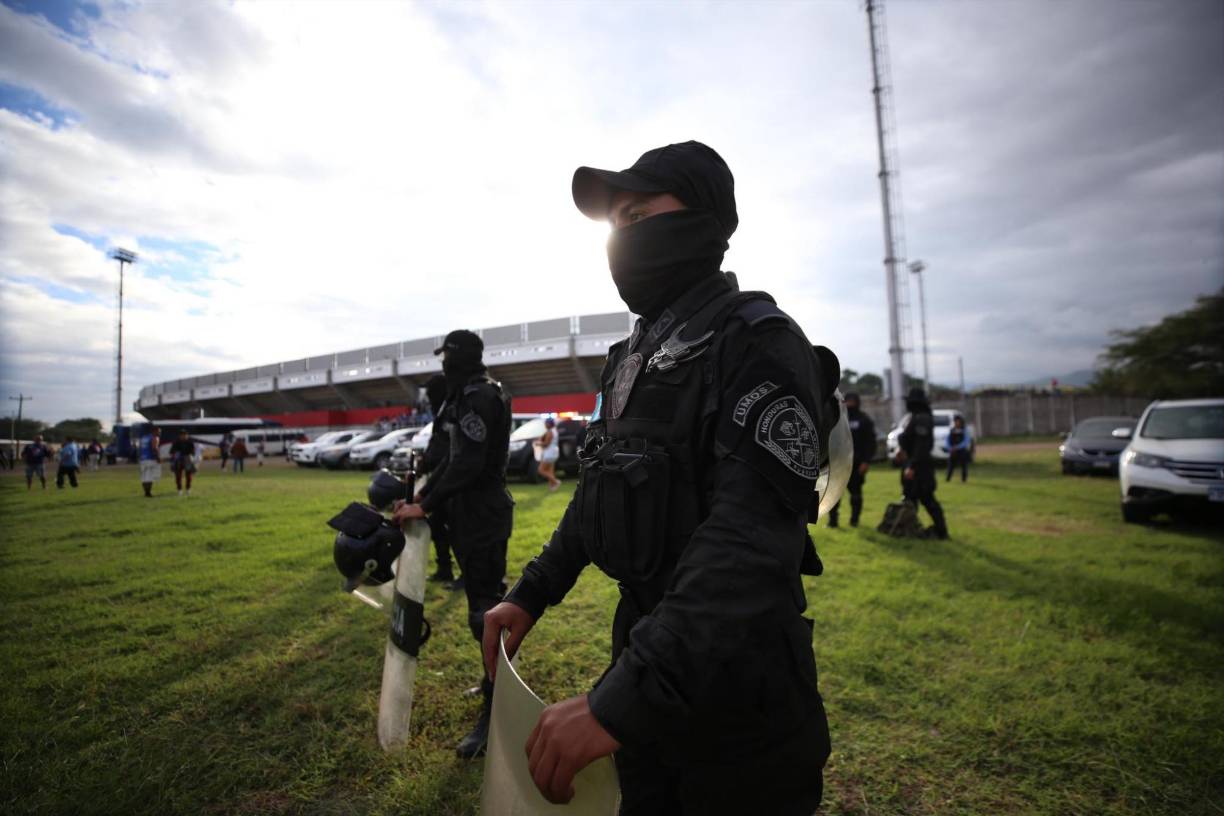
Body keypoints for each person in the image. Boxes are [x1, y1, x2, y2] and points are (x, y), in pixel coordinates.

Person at [481, 141, 835, 812]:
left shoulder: (756, 341)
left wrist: (622, 698)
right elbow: (597, 494)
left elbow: (749, 542)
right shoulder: (631, 357)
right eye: (617, 220)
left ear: (703, 220)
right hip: (647, 673)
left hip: (741, 705)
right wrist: (531, 592)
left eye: (639, 212)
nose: (623, 236)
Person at [392, 329, 513, 759]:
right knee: (479, 611)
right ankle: (491, 684)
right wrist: (422, 499)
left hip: (482, 514)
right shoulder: (463, 394)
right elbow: (447, 459)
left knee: (486, 613)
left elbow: (469, 462)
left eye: (446, 358)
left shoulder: (481, 395)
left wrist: (426, 505)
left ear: (458, 358)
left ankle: (496, 707)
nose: (441, 366)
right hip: (466, 513)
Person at [418, 374, 458, 588]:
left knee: (456, 528)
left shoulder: (454, 409)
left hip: (450, 481)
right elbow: (437, 442)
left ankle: (465, 574)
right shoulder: (442, 411)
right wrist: (425, 460)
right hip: (438, 478)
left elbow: (452, 450)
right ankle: (445, 568)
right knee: (436, 524)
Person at [895, 388, 949, 538]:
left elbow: (921, 446)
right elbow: (909, 440)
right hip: (912, 463)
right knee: (910, 499)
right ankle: (909, 529)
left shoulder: (922, 418)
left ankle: (941, 531)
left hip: (920, 467)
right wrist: (902, 451)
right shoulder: (915, 417)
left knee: (927, 498)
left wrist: (912, 466)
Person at [828, 392, 876, 528]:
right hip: (838, 464)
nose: (849, 403)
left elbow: (870, 442)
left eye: (852, 401)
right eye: (847, 400)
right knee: (834, 494)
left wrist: (866, 461)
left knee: (855, 494)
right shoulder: (837, 419)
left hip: (857, 463)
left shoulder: (864, 420)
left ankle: (854, 521)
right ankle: (833, 522)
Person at [533, 417, 562, 491]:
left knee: (541, 470)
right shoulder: (554, 430)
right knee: (550, 470)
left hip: (549, 453)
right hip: (554, 452)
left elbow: (546, 444)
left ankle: (556, 482)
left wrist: (538, 443)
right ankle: (552, 487)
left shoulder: (550, 432)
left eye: (546, 423)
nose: (545, 424)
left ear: (549, 424)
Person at [945, 414, 972, 482]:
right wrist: (949, 447)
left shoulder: (964, 430)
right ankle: (948, 479)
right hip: (953, 451)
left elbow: (966, 441)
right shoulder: (952, 430)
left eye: (958, 421)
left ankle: (964, 480)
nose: (956, 423)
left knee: (963, 466)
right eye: (955, 421)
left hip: (962, 451)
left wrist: (957, 447)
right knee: (951, 466)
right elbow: (947, 439)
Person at [169, 429, 197, 496]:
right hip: (178, 460)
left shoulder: (190, 442)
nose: (184, 436)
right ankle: (179, 489)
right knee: (178, 475)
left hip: (187, 459)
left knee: (189, 475)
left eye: (185, 435)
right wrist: (175, 455)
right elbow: (171, 452)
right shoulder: (176, 442)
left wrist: (191, 455)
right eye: (182, 435)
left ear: (187, 435)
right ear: (180, 436)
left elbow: (193, 452)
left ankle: (188, 489)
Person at [139, 426, 162, 497]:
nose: (160, 433)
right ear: (154, 431)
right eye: (159, 431)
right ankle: (148, 493)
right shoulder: (155, 438)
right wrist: (158, 458)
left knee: (144, 476)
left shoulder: (144, 438)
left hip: (143, 459)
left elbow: (140, 449)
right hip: (151, 459)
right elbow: (154, 448)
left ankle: (146, 492)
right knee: (150, 477)